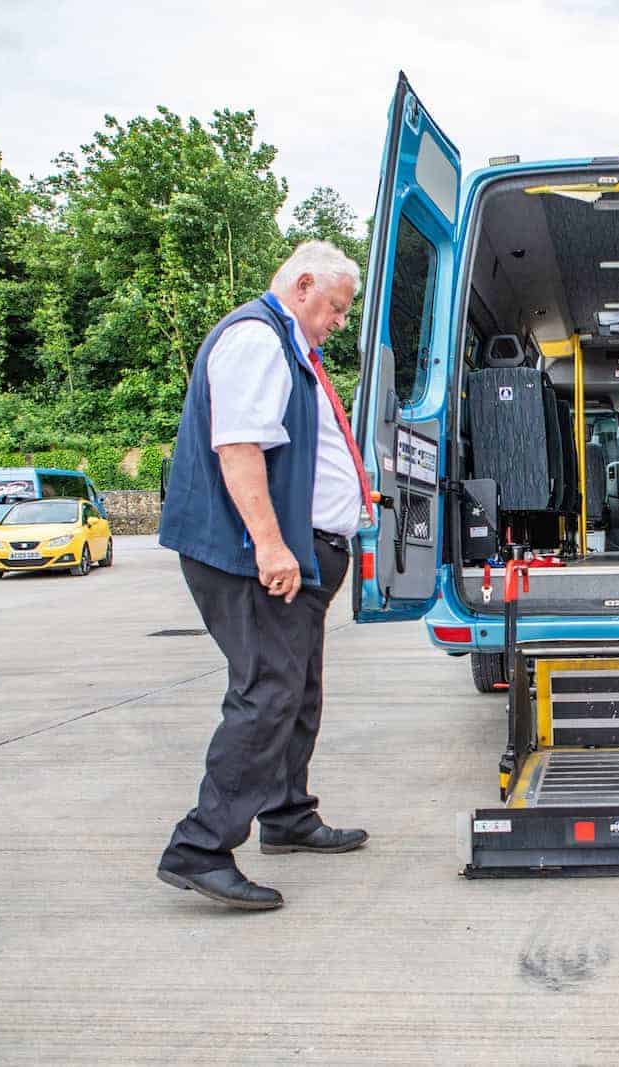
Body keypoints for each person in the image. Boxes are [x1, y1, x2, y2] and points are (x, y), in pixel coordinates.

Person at [155, 241, 372, 911]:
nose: (338, 322)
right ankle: (200, 845)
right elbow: (239, 447)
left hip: (298, 555)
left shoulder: (291, 346)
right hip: (253, 556)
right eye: (335, 308)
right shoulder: (256, 338)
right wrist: (271, 545)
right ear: (302, 285)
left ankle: (286, 813)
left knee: (296, 685)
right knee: (268, 688)